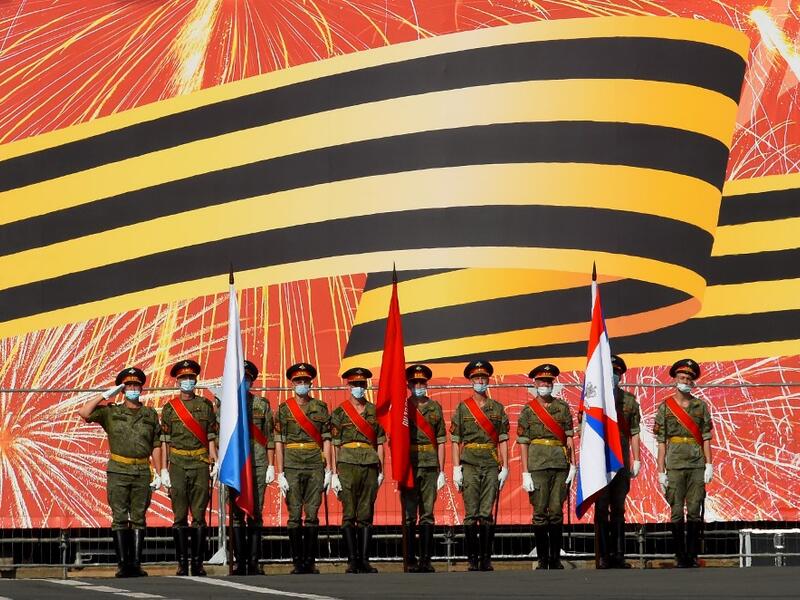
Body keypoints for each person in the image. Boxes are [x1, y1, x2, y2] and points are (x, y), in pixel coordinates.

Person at [79, 367, 161, 577]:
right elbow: (84, 413)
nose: (133, 388)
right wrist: (105, 395)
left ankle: (136, 564)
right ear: (122, 390)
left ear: (141, 388)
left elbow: (156, 444)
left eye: (136, 385)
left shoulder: (149, 414)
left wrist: (161, 472)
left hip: (142, 470)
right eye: (129, 385)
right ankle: (123, 564)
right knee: (119, 517)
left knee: (139, 517)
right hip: (118, 470)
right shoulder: (111, 412)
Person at [159, 359, 218, 576]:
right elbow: (165, 441)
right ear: (177, 382)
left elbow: (211, 436)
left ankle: (198, 563)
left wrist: (215, 460)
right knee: (180, 516)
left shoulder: (205, 405)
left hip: (200, 463)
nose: (187, 381)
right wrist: (163, 469)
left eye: (191, 378)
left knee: (199, 516)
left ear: (195, 381)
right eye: (184, 378)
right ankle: (182, 563)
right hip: (178, 463)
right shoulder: (170, 408)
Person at [450, 360, 509, 572]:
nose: (480, 381)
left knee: (486, 513)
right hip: (470, 463)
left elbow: (503, 439)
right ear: (471, 381)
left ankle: (486, 559)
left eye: (483, 378)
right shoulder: (462, 408)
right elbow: (455, 440)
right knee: (471, 513)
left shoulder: (497, 408)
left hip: (491, 463)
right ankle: (472, 559)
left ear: (488, 381)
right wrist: (456, 468)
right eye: (476, 378)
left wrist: (505, 467)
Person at [654, 358, 713, 568]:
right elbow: (661, 442)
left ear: (693, 382)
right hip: (675, 463)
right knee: (677, 510)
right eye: (682, 377)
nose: (685, 381)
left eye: (688, 378)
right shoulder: (665, 407)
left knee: (695, 510)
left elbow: (706, 438)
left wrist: (709, 464)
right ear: (675, 380)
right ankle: (680, 555)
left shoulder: (700, 406)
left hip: (696, 463)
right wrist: (660, 471)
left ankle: (692, 555)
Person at [274, 363, 332, 574]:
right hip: (292, 464)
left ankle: (310, 561)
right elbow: (279, 442)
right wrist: (280, 472)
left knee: (313, 514)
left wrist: (329, 469)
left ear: (311, 384)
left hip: (315, 463)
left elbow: (327, 439)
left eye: (305, 381)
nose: (302, 384)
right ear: (292, 384)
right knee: (295, 514)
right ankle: (297, 562)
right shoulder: (284, 409)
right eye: (298, 381)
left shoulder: (320, 407)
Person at [517, 363, 575, 569]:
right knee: (540, 512)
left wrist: (573, 465)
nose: (546, 385)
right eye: (542, 381)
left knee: (557, 511)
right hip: (538, 465)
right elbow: (523, 442)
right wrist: (525, 472)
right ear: (535, 384)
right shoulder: (528, 410)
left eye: (549, 381)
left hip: (559, 464)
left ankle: (555, 558)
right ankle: (542, 559)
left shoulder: (562, 407)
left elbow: (569, 438)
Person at [330, 367, 386, 574]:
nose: (359, 388)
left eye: (362, 384)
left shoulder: (375, 411)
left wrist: (381, 470)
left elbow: (380, 442)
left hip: (369, 463)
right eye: (355, 384)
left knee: (366, 513)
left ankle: (364, 560)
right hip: (346, 464)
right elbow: (335, 444)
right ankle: (352, 560)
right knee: (349, 513)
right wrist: (334, 472)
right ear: (349, 386)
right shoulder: (339, 412)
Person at [228, 360, 275, 575]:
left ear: (252, 381)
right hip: (236, 466)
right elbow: (221, 436)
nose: (244, 382)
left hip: (257, 464)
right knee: (237, 514)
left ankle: (254, 562)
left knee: (255, 513)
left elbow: (269, 438)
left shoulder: (261, 405)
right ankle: (240, 562)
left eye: (247, 379)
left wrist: (271, 465)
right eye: (241, 379)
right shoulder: (228, 405)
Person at [594, 355, 641, 569]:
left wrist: (637, 459)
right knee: (601, 508)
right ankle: (603, 555)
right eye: (609, 371)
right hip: (600, 462)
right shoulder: (595, 400)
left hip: (621, 461)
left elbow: (634, 432)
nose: (612, 375)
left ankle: (618, 554)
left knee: (619, 508)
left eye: (616, 372)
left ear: (620, 376)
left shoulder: (629, 401)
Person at [401, 364, 446, 573]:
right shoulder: (403, 408)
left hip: (429, 464)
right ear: (408, 385)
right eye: (414, 382)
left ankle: (426, 560)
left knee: (427, 513)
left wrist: (442, 470)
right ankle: (410, 559)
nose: (418, 386)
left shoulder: (435, 407)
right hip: (410, 464)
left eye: (421, 382)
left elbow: (441, 440)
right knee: (409, 514)